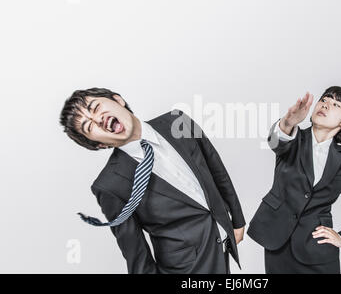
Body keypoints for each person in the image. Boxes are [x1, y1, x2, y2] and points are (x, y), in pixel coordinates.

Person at [59, 87, 246, 274]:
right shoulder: (109, 185)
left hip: (222, 246)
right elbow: (136, 255)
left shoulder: (178, 121)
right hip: (186, 268)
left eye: (95, 107)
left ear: (117, 100)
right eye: (89, 127)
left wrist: (237, 220)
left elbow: (215, 168)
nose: (97, 119)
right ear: (100, 144)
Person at [247, 86, 341, 274]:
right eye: (324, 100)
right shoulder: (293, 139)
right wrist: (288, 121)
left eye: (336, 104)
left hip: (318, 251)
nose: (325, 105)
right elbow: (276, 142)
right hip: (278, 244)